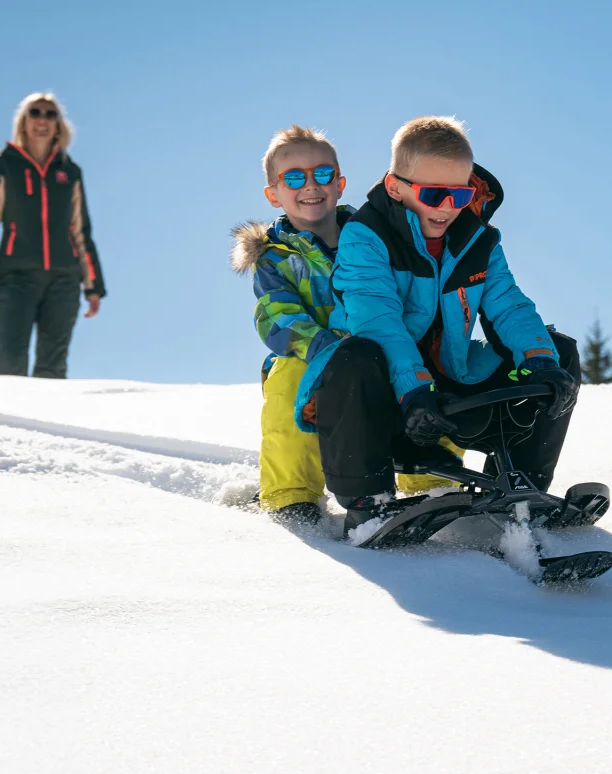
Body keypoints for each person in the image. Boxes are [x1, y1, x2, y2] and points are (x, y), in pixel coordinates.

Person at [294, 116, 580, 533]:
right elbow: (378, 323)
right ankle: (368, 507)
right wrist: (414, 389)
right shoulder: (366, 237)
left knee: (558, 351)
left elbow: (508, 306)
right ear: (396, 187)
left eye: (460, 194)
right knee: (357, 354)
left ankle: (526, 489)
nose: (448, 207)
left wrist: (540, 359)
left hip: (447, 385)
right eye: (433, 194)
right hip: (381, 396)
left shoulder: (479, 241)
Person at [231, 124, 353, 523]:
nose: (311, 185)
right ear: (274, 194)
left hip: (377, 349)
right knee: (288, 378)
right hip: (311, 355)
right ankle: (292, 496)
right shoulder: (275, 258)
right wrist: (326, 348)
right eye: (295, 177)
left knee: (423, 366)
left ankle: (429, 486)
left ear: (340, 183)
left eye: (322, 173)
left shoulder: (372, 240)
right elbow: (277, 315)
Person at [0, 92, 106, 378]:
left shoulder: (69, 172)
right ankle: (1, 423)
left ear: (59, 125)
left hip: (64, 279)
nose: (42, 120)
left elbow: (81, 230)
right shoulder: (3, 167)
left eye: (50, 114)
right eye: (35, 113)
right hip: (16, 277)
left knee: (53, 366)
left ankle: (45, 423)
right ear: (23, 122)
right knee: (10, 362)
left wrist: (93, 285)